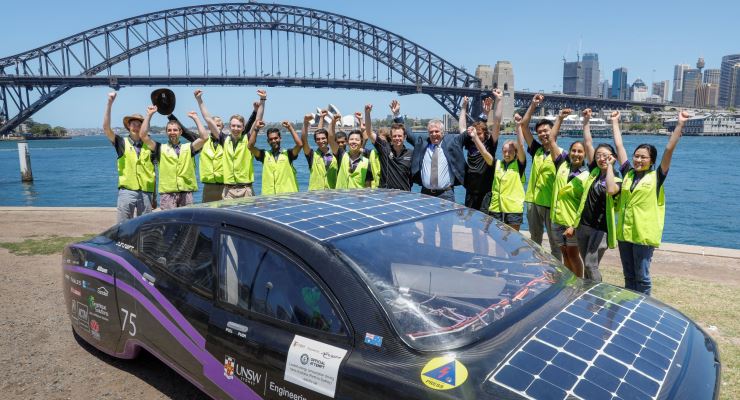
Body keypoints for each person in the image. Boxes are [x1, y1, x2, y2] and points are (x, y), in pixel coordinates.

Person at [612, 110, 688, 295]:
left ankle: (643, 308)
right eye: (636, 156)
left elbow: (669, 150)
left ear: (651, 160)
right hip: (624, 233)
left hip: (643, 235)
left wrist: (680, 125)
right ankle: (629, 306)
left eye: (643, 157)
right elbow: (619, 145)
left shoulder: (657, 177)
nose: (638, 160)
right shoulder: (628, 173)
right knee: (629, 276)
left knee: (642, 277)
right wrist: (614, 121)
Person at [573, 109, 622, 282]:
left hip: (600, 229)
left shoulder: (616, 179)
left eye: (606, 156)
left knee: (590, 264)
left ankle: (597, 295)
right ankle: (588, 294)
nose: (601, 158)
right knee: (587, 263)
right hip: (583, 225)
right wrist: (586, 121)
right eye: (599, 155)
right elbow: (587, 142)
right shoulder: (593, 171)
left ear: (613, 158)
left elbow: (610, 190)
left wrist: (609, 166)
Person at [394, 100, 467, 202]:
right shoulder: (422, 142)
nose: (433, 134)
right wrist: (397, 114)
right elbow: (409, 133)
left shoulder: (451, 142)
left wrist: (464, 108)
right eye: (431, 132)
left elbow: (464, 133)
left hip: (446, 194)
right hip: (425, 193)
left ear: (442, 132)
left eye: (436, 131)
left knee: (447, 218)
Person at [520, 94, 564, 261]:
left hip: (551, 205)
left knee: (555, 244)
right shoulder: (537, 151)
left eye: (546, 131)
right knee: (535, 241)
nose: (543, 134)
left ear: (553, 131)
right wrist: (533, 104)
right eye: (540, 132)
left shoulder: (561, 155)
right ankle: (537, 269)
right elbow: (524, 125)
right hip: (533, 202)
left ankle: (557, 273)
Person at [547, 108, 590, 277]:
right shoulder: (562, 165)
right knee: (564, 252)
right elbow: (551, 140)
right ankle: (568, 281)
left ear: (585, 154)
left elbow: (584, 204)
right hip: (556, 219)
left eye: (580, 152)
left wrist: (574, 225)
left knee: (573, 254)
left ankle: (577, 283)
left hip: (572, 222)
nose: (576, 154)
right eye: (574, 151)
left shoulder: (587, 175)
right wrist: (559, 118)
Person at [139, 105, 208, 209]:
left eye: (175, 130)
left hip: (186, 193)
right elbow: (143, 136)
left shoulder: (188, 148)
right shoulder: (160, 148)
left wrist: (196, 118)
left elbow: (204, 137)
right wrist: (149, 115)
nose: (172, 133)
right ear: (166, 132)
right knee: (170, 223)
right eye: (169, 130)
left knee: (186, 223)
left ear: (180, 132)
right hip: (168, 194)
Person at [103, 92, 157, 222]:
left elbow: (153, 172)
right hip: (127, 192)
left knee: (145, 226)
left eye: (140, 125)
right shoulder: (121, 142)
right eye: (133, 124)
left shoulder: (151, 145)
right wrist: (109, 103)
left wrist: (154, 196)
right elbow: (106, 128)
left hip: (146, 192)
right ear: (128, 126)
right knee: (123, 227)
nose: (136, 127)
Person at [476, 113, 527, 230]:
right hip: (496, 208)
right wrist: (474, 137)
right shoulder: (497, 164)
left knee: (513, 239)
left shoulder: (519, 165)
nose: (507, 154)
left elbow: (521, 145)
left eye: (510, 151)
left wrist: (518, 126)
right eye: (504, 151)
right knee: (497, 239)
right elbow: (484, 152)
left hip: (513, 209)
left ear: (515, 152)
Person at [459, 91, 503, 210]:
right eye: (475, 134)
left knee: (485, 225)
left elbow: (497, 123)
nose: (476, 136)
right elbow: (462, 127)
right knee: (473, 225)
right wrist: (464, 107)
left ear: (486, 134)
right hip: (471, 192)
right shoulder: (470, 143)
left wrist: (498, 100)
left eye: (479, 134)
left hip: (486, 192)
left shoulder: (490, 144)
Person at [219, 89, 266, 199]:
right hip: (228, 190)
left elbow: (258, 119)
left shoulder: (247, 139)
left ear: (243, 128)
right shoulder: (225, 140)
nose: (236, 128)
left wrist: (263, 100)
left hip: (246, 189)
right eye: (233, 126)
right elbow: (208, 120)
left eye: (239, 126)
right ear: (229, 126)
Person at [193, 89, 237, 202]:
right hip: (209, 186)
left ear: (223, 127)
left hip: (225, 185)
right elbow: (206, 120)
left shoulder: (228, 140)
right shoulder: (204, 141)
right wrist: (199, 100)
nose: (216, 127)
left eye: (219, 125)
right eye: (214, 125)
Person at [364, 103, 413, 191]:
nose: (397, 138)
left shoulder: (411, 153)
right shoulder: (384, 148)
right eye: (394, 136)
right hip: (385, 195)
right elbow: (369, 133)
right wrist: (367, 113)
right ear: (391, 137)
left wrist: (397, 113)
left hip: (404, 195)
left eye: (399, 136)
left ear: (404, 137)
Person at [248, 120, 302, 194]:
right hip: (269, 198)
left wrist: (290, 128)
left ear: (280, 138)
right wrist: (256, 129)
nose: (273, 141)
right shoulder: (264, 155)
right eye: (271, 139)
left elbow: (300, 145)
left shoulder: (288, 154)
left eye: (276, 138)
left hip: (288, 197)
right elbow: (250, 146)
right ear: (268, 141)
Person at [328, 114, 373, 188]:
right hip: (341, 197)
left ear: (361, 143)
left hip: (358, 198)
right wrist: (333, 122)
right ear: (347, 142)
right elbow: (331, 139)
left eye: (357, 140)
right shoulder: (341, 155)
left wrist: (361, 120)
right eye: (351, 139)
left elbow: (368, 185)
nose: (354, 142)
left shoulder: (366, 162)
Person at [301, 114, 338, 190]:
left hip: (333, 194)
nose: (321, 141)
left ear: (328, 139)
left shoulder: (336, 155)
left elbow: (331, 136)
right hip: (315, 194)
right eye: (318, 139)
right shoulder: (312, 155)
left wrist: (332, 122)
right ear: (315, 141)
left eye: (323, 138)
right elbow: (304, 140)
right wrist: (305, 122)